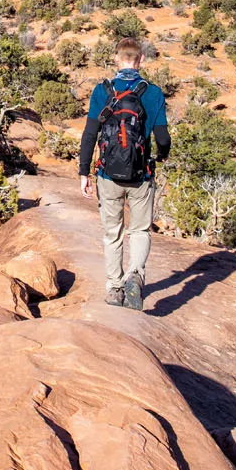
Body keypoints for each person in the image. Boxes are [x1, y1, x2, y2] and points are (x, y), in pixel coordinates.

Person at [78, 37, 171, 309]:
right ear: (141, 60)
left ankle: (114, 287)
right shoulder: (152, 93)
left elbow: (90, 135)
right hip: (141, 175)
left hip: (108, 176)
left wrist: (84, 172)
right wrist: (161, 155)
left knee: (112, 233)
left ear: (117, 59)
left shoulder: (102, 91)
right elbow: (162, 136)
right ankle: (135, 276)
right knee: (140, 230)